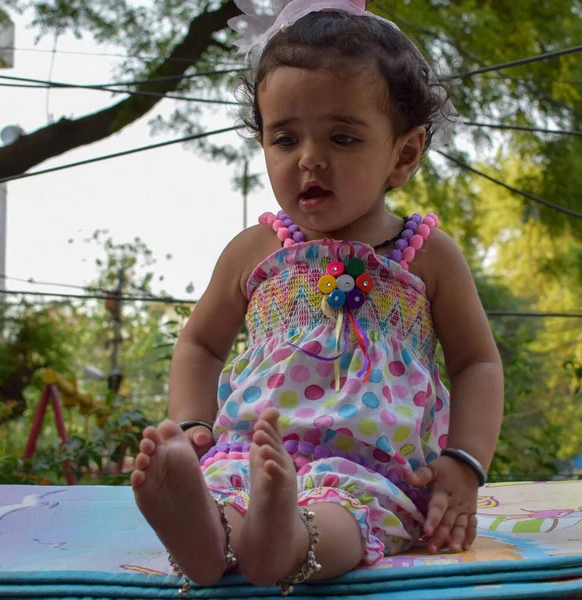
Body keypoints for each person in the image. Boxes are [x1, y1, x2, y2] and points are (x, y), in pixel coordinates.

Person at [131, 0, 504, 595]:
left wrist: (464, 462)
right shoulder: (254, 249)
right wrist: (194, 422)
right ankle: (204, 537)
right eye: (284, 137)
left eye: (342, 136)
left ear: (403, 154)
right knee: (225, 492)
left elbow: (476, 363)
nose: (309, 158)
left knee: (346, 521)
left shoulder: (427, 255)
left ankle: (283, 538)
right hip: (250, 450)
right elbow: (200, 343)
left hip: (371, 467)